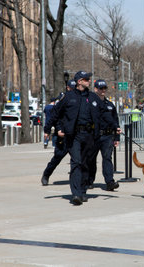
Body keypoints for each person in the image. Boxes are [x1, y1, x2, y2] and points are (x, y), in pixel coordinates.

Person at [44, 71, 120, 206]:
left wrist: (115, 127)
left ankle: (83, 190)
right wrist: (47, 129)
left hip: (90, 135)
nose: (89, 81)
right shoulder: (68, 97)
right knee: (76, 162)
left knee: (86, 163)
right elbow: (55, 113)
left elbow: (105, 113)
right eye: (86, 79)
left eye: (89, 79)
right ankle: (76, 193)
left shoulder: (92, 97)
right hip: (74, 135)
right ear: (79, 81)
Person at [40, 80, 76, 186]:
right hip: (62, 135)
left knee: (78, 159)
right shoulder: (63, 100)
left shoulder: (79, 100)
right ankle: (46, 175)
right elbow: (55, 117)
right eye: (72, 88)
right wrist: (51, 130)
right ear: (68, 88)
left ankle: (78, 180)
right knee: (57, 157)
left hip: (74, 135)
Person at [88, 79, 120, 191]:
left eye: (104, 88)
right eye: (100, 88)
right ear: (95, 89)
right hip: (94, 136)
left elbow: (116, 121)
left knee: (107, 158)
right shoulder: (91, 103)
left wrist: (117, 137)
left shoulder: (110, 105)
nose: (103, 90)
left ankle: (110, 182)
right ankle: (89, 181)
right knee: (91, 159)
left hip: (107, 136)